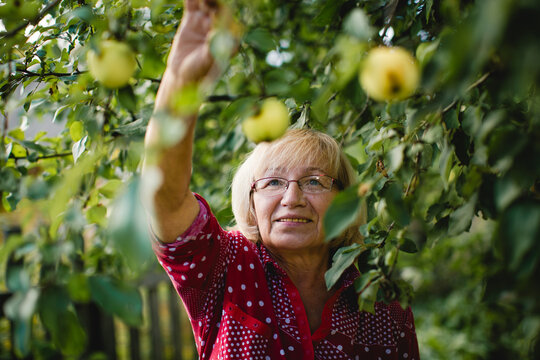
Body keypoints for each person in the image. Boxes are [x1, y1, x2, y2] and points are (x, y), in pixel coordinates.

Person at [143, 0, 420, 359]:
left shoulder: (380, 298)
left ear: (344, 199)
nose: (293, 197)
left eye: (315, 181)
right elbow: (161, 194)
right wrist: (182, 80)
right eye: (273, 183)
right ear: (251, 200)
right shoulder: (224, 265)